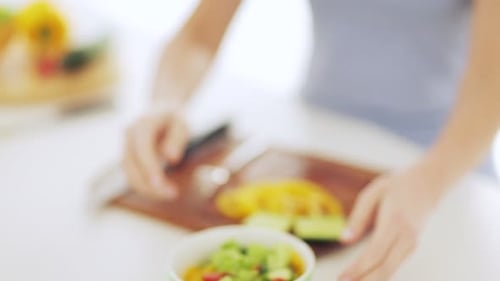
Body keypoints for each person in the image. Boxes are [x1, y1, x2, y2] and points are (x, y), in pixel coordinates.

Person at [122, 1, 500, 280]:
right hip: (315, 137)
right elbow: (198, 37)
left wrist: (430, 179)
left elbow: (490, 86)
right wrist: (164, 102)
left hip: (444, 162)